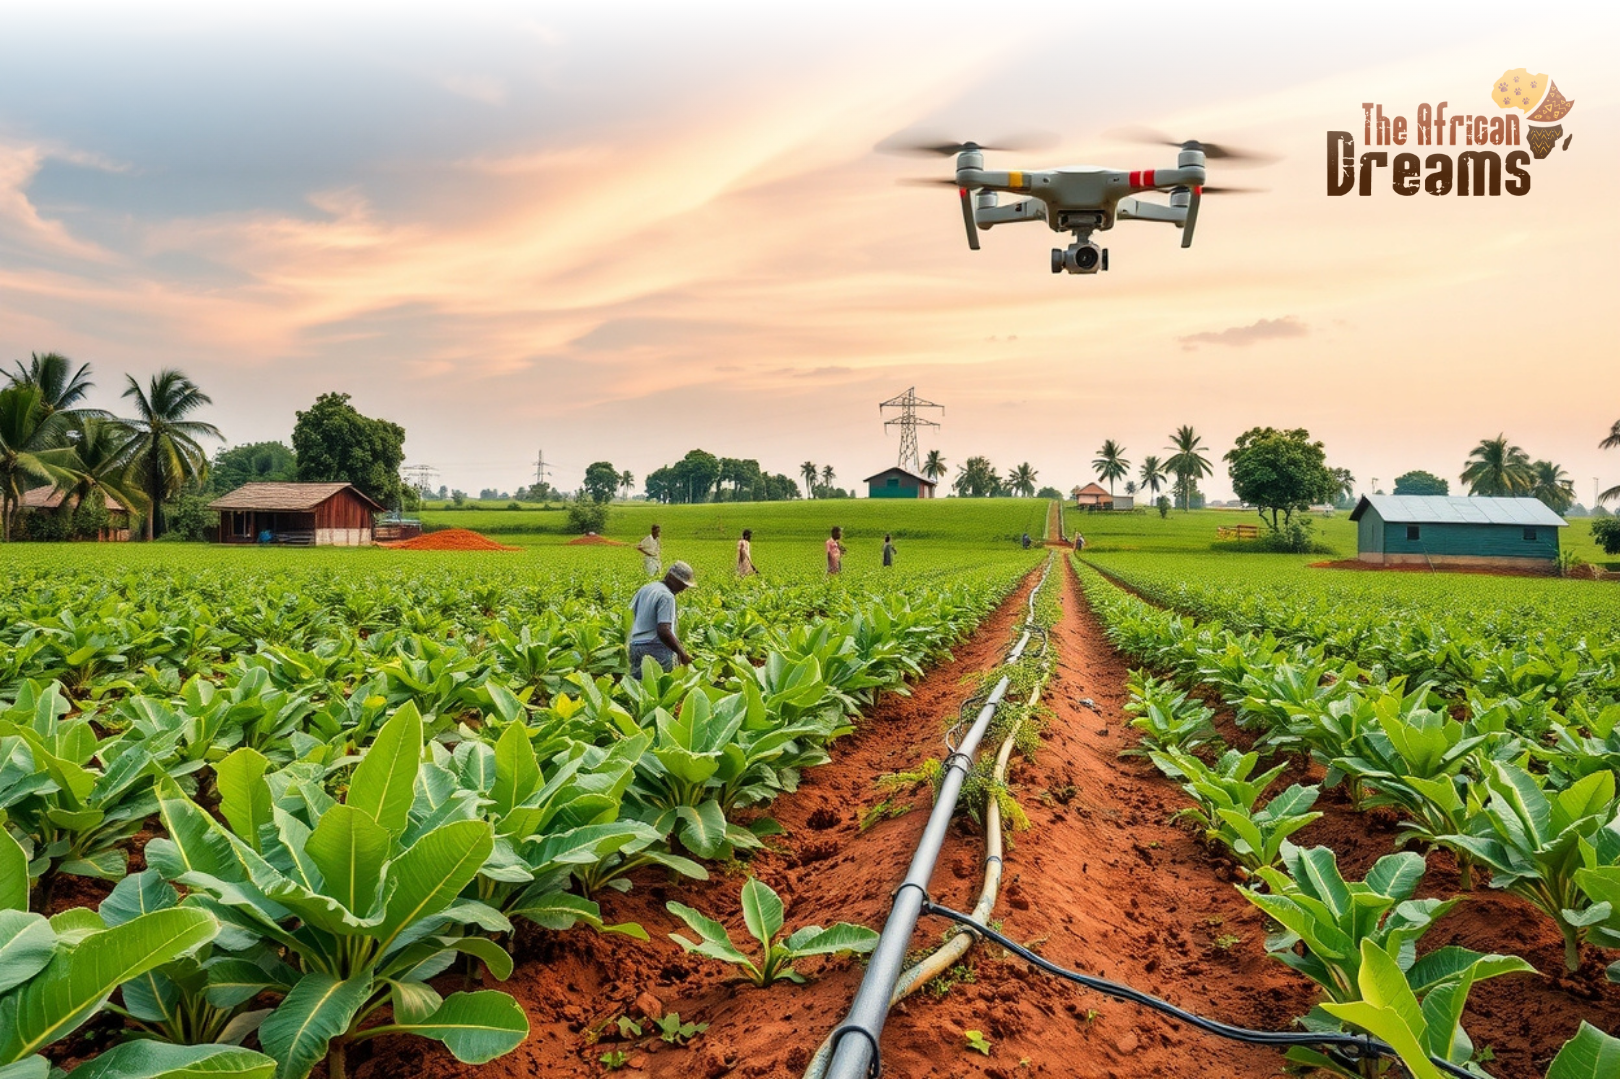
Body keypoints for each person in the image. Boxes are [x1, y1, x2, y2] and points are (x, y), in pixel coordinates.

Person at [628, 561, 695, 674]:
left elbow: (629, 614)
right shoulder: (667, 596)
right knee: (659, 687)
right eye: (683, 584)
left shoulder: (647, 588)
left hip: (635, 646)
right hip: (656, 649)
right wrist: (681, 653)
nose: (684, 588)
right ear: (672, 578)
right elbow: (664, 630)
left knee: (637, 687)